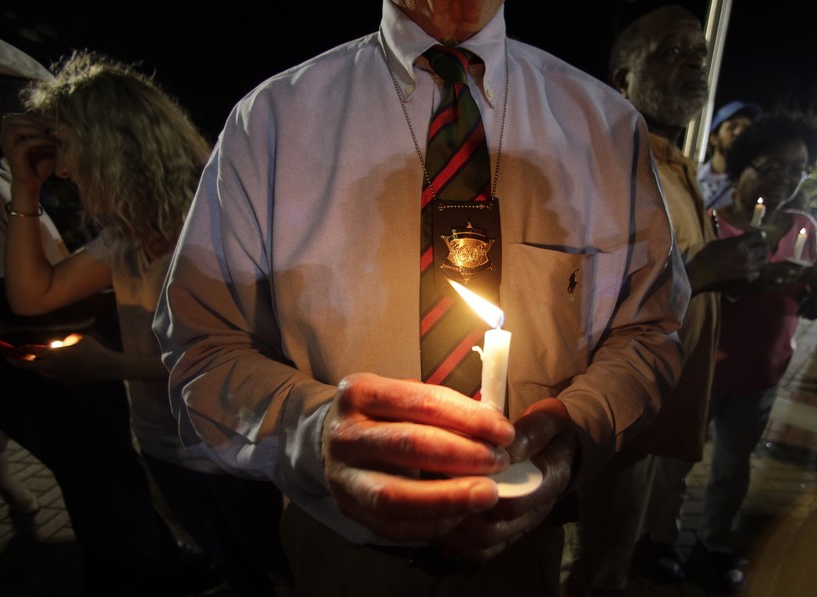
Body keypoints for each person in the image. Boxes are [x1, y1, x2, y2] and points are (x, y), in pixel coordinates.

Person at [154, 1, 689, 595]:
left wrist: (572, 436)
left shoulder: (605, 126)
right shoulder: (273, 122)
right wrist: (314, 432)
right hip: (340, 554)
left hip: (521, 556)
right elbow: (201, 350)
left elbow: (650, 330)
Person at [0, 50, 288, 595]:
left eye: (67, 147)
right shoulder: (127, 235)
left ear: (114, 143)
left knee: (281, 570)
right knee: (236, 571)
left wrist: (110, 365)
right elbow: (33, 298)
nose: (60, 168)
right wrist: (24, 191)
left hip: (232, 453)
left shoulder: (215, 222)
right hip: (164, 445)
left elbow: (253, 355)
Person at [561, 8, 769, 595]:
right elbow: (576, 289)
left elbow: (679, 272)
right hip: (615, 410)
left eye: (699, 55)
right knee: (594, 558)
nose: (693, 64)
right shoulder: (605, 160)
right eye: (670, 52)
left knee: (615, 548)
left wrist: (734, 277)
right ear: (623, 78)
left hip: (657, 407)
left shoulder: (675, 164)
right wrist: (698, 274)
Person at [697, 114, 817, 592]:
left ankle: (711, 542)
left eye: (796, 170)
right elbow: (691, 292)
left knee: (733, 466)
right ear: (741, 165)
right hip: (706, 366)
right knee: (674, 461)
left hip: (764, 369)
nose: (784, 179)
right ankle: (654, 540)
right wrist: (742, 283)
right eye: (771, 166)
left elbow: (810, 305)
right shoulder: (709, 222)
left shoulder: (802, 226)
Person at [699, 100, 761, 210]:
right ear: (714, 138)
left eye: (746, 128)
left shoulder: (754, 185)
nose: (739, 132)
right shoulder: (690, 177)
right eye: (732, 126)